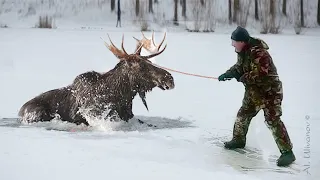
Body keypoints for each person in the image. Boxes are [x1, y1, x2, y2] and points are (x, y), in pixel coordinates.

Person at [218, 26, 296, 167]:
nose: (232, 44)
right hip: (254, 92)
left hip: (270, 93)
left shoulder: (260, 53)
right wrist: (228, 73)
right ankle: (238, 140)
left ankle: (288, 152)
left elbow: (261, 73)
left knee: (273, 120)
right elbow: (239, 66)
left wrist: (243, 77)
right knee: (243, 114)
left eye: (234, 41)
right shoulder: (242, 51)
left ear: (242, 41)